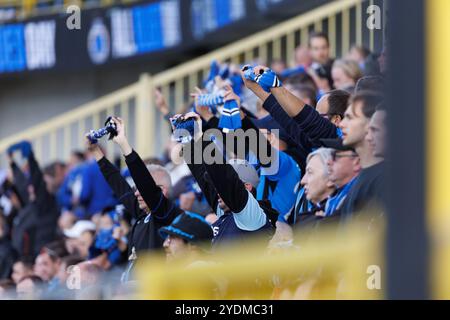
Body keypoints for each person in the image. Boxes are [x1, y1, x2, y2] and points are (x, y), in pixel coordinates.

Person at [177, 112, 275, 249]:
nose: (217, 190)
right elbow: (201, 174)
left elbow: (223, 177)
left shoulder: (251, 216)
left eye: (220, 186)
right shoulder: (224, 211)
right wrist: (186, 139)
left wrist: (200, 137)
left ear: (247, 187)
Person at [101, 117, 181, 280]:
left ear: (162, 191)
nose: (136, 193)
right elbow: (120, 186)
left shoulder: (166, 214)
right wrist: (96, 153)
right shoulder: (142, 215)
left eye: (141, 189)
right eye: (136, 190)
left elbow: (143, 180)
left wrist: (123, 143)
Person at [338, 92, 385, 219]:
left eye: (350, 117)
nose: (341, 124)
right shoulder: (363, 177)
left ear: (371, 123)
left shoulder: (383, 182)